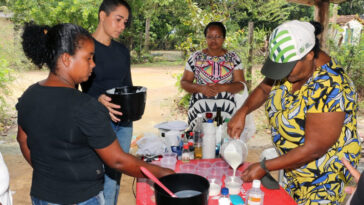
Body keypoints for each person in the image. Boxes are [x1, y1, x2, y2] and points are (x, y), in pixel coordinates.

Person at [17, 23, 173, 205]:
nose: (93, 64)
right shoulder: (85, 106)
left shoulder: (29, 95)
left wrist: (48, 172)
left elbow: (22, 139)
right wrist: (162, 173)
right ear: (67, 59)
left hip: (41, 195)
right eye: (88, 58)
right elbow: (117, 161)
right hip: (82, 198)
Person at [227, 20, 360, 204]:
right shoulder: (294, 66)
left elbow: (314, 149)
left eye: (287, 68)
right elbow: (266, 88)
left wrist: (265, 166)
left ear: (309, 55)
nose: (283, 74)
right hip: (294, 172)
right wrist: (242, 112)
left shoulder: (332, 86)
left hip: (323, 180)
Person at [80, 1, 134, 204]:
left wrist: (135, 104)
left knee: (115, 174)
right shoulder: (85, 48)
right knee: (96, 174)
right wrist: (96, 98)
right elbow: (70, 90)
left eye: (125, 22)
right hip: (97, 122)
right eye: (118, 20)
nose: (122, 26)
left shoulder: (122, 51)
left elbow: (128, 85)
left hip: (123, 123)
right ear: (103, 16)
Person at [180, 21, 246, 128]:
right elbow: (184, 82)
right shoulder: (195, 57)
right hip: (199, 113)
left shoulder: (234, 58)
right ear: (205, 38)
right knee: (199, 143)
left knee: (224, 142)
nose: (213, 40)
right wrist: (201, 88)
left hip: (226, 113)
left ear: (224, 38)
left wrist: (223, 87)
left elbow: (241, 84)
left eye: (217, 36)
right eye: (210, 36)